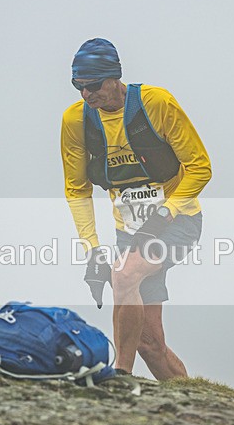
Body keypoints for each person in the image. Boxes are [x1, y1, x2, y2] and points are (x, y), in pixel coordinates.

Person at [61, 38, 211, 380]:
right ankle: (191, 401)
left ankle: (119, 377)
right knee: (149, 343)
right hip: (128, 230)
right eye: (78, 86)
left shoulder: (155, 103)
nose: (86, 95)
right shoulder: (75, 121)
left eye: (93, 85)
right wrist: (93, 248)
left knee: (125, 273)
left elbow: (200, 166)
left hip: (178, 220)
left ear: (114, 77)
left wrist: (164, 214)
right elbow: (77, 188)